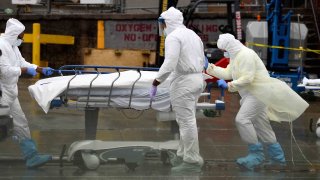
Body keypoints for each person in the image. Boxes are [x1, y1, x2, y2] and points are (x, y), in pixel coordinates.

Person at [206, 33, 309, 170]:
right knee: (262, 127)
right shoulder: (236, 57)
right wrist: (209, 68)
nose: (225, 53)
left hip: (258, 94)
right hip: (252, 94)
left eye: (225, 50)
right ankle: (278, 159)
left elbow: (247, 78)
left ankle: (256, 154)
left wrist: (230, 86)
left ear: (230, 47)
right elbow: (228, 73)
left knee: (242, 120)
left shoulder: (246, 55)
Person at [150, 7, 206, 173]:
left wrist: (156, 81)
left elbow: (170, 62)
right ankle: (183, 154)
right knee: (186, 121)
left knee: (186, 122)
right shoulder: (193, 35)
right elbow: (202, 60)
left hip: (184, 83)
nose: (162, 28)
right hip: (197, 79)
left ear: (167, 23)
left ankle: (192, 160)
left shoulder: (173, 37)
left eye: (162, 24)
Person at [0, 18, 54, 168]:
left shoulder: (12, 45)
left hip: (10, 92)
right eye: (21, 35)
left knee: (20, 123)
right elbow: (4, 71)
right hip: (1, 93)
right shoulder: (1, 46)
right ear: (14, 34)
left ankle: (31, 156)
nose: (23, 38)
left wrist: (39, 68)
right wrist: (24, 71)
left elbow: (21, 62)